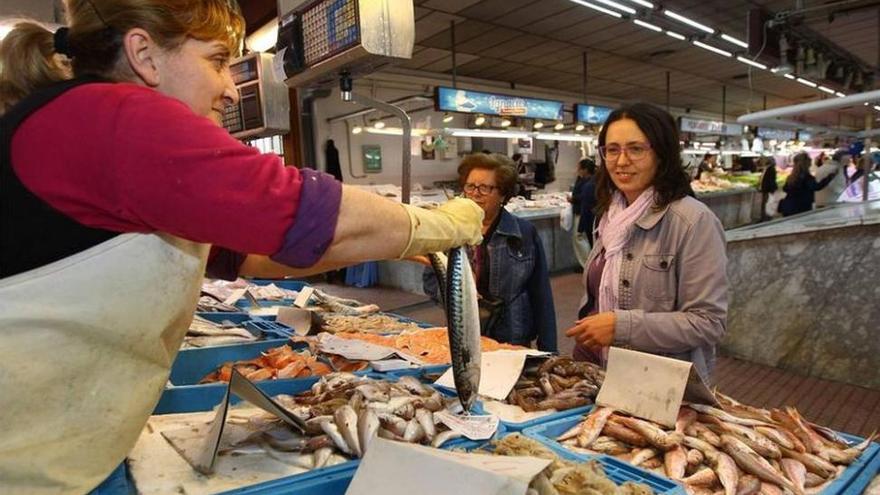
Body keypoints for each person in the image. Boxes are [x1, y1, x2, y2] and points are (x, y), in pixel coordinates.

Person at [0, 2, 483, 493]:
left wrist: (389, 243)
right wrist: (437, 224)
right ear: (144, 54)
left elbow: (249, 255)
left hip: (62, 452)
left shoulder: (88, 126)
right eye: (215, 61)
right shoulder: (108, 116)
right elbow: (301, 209)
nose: (230, 88)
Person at [563, 103, 728, 383]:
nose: (621, 161)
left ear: (661, 154)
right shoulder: (610, 214)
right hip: (598, 372)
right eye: (612, 149)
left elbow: (708, 323)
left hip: (657, 384)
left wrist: (621, 327)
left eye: (636, 149)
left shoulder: (692, 221)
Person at [422, 153, 557, 352]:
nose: (476, 194)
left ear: (503, 193)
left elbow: (541, 294)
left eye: (485, 188)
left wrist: (549, 349)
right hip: (465, 334)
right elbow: (431, 280)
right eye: (470, 186)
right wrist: (459, 296)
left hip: (512, 337)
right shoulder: (451, 231)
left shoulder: (523, 233)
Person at [778, 152, 837, 216]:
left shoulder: (791, 177)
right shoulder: (806, 177)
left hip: (788, 207)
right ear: (807, 164)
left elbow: (785, 189)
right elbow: (817, 187)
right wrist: (830, 177)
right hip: (801, 208)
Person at [570, 158, 597, 266]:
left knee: (580, 237)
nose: (578, 170)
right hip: (582, 211)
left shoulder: (589, 184)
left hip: (584, 213)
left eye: (579, 168)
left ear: (585, 169)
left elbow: (584, 198)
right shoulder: (584, 180)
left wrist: (574, 199)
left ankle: (587, 264)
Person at [758, 156, 778, 221]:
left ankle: (766, 217)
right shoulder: (767, 168)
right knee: (765, 203)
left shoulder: (771, 169)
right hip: (766, 189)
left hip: (768, 190)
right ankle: (764, 217)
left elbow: (771, 180)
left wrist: (771, 190)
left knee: (767, 203)